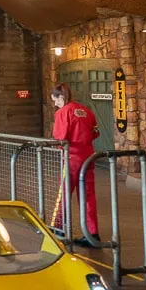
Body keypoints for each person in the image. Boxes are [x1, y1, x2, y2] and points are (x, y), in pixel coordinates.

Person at [50, 83, 101, 246]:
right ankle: (92, 234)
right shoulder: (86, 111)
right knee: (88, 197)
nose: (55, 104)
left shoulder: (62, 113)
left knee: (64, 194)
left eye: (56, 101)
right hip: (88, 158)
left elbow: (60, 138)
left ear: (61, 97)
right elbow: (95, 132)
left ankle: (58, 228)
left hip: (71, 159)